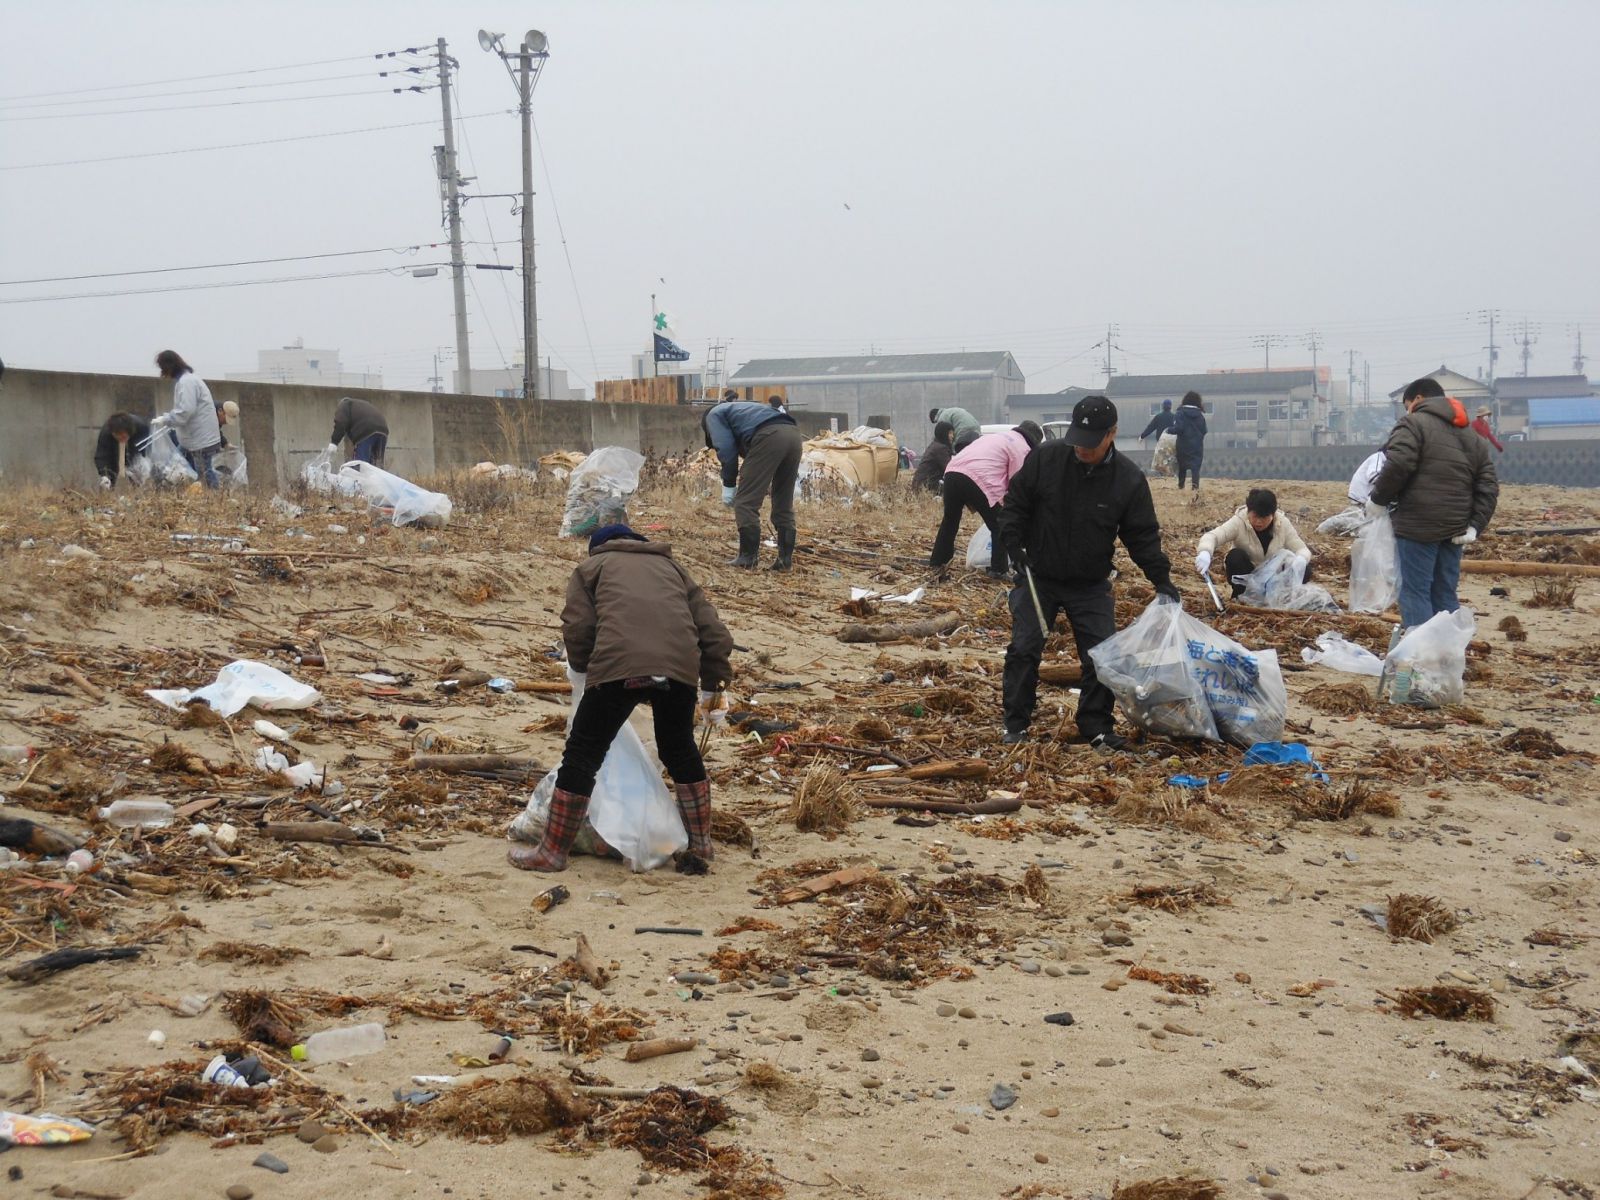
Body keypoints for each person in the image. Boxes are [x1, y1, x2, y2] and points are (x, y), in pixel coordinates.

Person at [510, 524, 733, 874]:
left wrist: (584, 672)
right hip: (678, 669)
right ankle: (702, 843)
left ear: (599, 548)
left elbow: (578, 625)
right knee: (679, 748)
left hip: (618, 667)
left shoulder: (591, 568)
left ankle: (552, 852)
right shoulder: (674, 569)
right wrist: (714, 685)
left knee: (583, 753)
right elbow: (713, 631)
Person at [997, 396, 1180, 750]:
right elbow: (1015, 504)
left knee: (1102, 655)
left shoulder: (1127, 479)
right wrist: (1013, 545)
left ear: (1112, 433)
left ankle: (1095, 726)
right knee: (1024, 647)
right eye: (1078, 438)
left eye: (1091, 440)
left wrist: (1161, 579)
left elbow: (1141, 536)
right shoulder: (1046, 460)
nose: (1082, 447)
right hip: (1039, 575)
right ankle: (1016, 724)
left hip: (1090, 583)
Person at [1369, 377, 1499, 629]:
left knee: (1415, 591)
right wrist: (1475, 525)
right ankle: (1447, 656)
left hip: (1418, 525)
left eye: (1407, 404)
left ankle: (1422, 659)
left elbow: (1399, 463)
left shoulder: (1412, 423)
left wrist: (1377, 500)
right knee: (1445, 592)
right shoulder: (1471, 435)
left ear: (1417, 399)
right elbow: (1488, 484)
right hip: (1456, 528)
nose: (1407, 409)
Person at [703, 396, 804, 570]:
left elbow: (726, 449)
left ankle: (747, 558)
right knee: (783, 502)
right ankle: (784, 561)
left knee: (745, 502)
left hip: (769, 435)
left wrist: (728, 484)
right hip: (794, 435)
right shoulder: (743, 410)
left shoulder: (714, 414)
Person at [929, 422, 1042, 576]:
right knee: (999, 526)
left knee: (950, 521)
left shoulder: (997, 437)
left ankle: (938, 562)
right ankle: (998, 570)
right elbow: (1018, 484)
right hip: (978, 478)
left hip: (952, 471)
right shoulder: (1022, 448)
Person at [1195, 488, 1311, 598]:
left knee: (1305, 569)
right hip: (1248, 571)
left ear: (1272, 515)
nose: (1259, 522)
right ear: (1248, 511)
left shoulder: (1282, 524)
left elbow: (1301, 548)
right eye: (1255, 516)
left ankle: (1280, 597)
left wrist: (1301, 559)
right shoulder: (1239, 522)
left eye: (1264, 518)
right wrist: (1205, 552)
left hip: (1273, 575)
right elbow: (1213, 536)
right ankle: (1240, 596)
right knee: (1235, 556)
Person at [153, 350, 222, 488]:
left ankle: (215, 499)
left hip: (200, 440)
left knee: (204, 475)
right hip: (196, 438)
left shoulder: (187, 382)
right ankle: (213, 499)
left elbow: (185, 411)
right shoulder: (188, 379)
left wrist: (167, 419)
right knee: (177, 465)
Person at [94, 412, 151, 488]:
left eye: (123, 436)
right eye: (118, 436)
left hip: (136, 441)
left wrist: (145, 465)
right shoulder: (106, 432)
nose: (120, 438)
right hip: (113, 446)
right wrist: (105, 475)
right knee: (111, 470)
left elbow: (147, 450)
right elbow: (102, 456)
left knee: (137, 468)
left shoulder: (142, 427)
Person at [330, 396, 388, 465]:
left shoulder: (344, 405)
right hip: (383, 429)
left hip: (366, 430)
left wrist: (334, 442)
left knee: (361, 465)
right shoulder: (360, 406)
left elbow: (341, 423)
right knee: (376, 465)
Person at [1171, 391, 1207, 491]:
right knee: (1195, 468)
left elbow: (1178, 428)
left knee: (1182, 467)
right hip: (1197, 446)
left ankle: (1181, 486)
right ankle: (1195, 487)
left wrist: (1169, 430)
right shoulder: (1200, 416)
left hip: (1182, 445)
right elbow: (1204, 430)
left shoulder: (1180, 413)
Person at [911, 421, 955, 493]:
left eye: (953, 433)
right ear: (943, 434)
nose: (952, 436)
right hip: (927, 486)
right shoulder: (940, 448)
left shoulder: (935, 445)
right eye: (950, 433)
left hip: (920, 485)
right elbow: (950, 470)